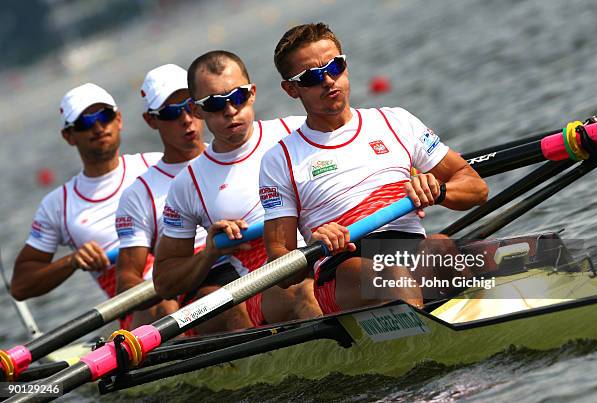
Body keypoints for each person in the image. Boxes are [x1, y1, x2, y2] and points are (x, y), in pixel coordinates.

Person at [259, 23, 489, 314]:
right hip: (342, 269)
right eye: (312, 77)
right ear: (291, 88)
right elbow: (280, 261)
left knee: (442, 248)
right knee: (394, 277)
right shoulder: (280, 160)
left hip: (408, 251)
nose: (329, 80)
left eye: (335, 66)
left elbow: (477, 188)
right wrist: (315, 243)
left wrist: (439, 191)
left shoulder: (395, 122)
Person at [154, 50, 322, 332]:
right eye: (216, 104)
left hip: (332, 254)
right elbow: (165, 282)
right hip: (269, 286)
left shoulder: (298, 131)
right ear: (197, 111)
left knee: (420, 253)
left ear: (252, 93)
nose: (230, 110)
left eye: (238, 97)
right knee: (305, 292)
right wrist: (210, 251)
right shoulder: (188, 184)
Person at [11, 83, 162, 304]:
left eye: (105, 115)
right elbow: (20, 285)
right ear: (69, 136)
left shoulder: (156, 164)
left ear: (118, 119)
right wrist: (72, 261)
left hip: (179, 279)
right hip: (136, 306)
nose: (98, 127)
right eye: (85, 122)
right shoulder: (58, 205)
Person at [114, 64, 207, 328]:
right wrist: (178, 277)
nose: (186, 118)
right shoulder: (139, 195)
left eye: (190, 105)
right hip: (190, 293)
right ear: (151, 120)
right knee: (161, 307)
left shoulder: (233, 157)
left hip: (251, 272)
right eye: (171, 112)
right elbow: (127, 284)